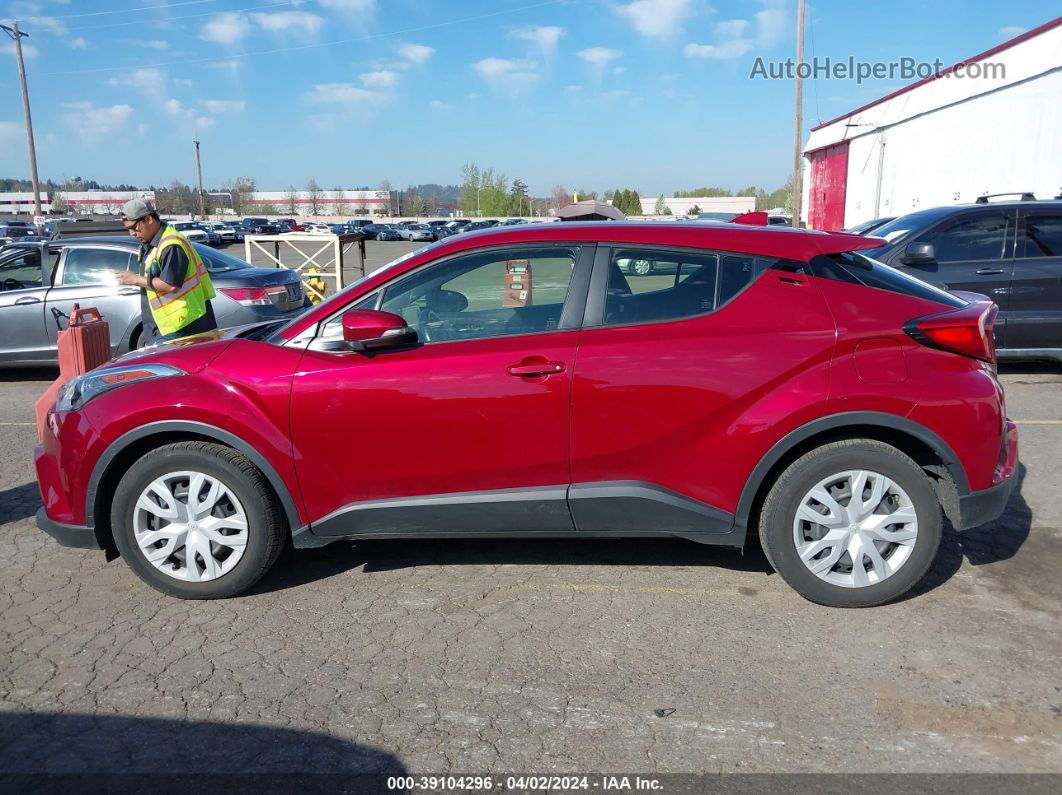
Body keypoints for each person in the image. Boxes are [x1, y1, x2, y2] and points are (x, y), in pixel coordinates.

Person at [116, 198, 218, 344]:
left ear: (148, 219)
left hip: (181, 326)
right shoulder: (152, 243)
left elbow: (171, 285)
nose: (132, 233)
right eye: (128, 229)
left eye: (134, 227)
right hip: (167, 326)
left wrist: (135, 279)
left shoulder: (171, 245)